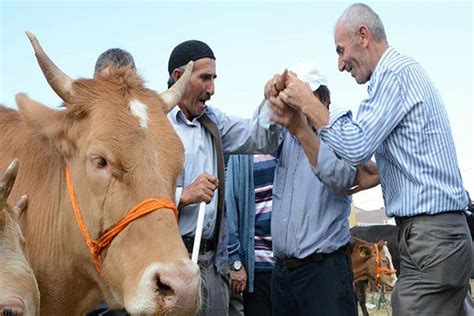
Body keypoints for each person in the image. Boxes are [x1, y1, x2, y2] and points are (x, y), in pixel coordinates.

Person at [269, 4, 471, 315]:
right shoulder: (400, 75)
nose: (340, 64)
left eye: (340, 50)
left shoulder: (394, 74)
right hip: (440, 239)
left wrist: (308, 103)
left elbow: (355, 145)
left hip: (431, 242)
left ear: (363, 36)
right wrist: (382, 173)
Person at [166, 40, 281, 315]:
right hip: (172, 262)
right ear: (178, 78)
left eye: (214, 78)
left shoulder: (214, 122)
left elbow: (260, 136)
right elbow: (134, 198)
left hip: (212, 264)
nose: (212, 89)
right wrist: (184, 195)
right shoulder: (155, 125)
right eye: (204, 78)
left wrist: (274, 100)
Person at [263, 61, 372, 316]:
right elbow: (259, 130)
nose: (295, 104)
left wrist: (302, 130)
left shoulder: (338, 127)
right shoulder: (287, 136)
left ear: (321, 98)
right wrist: (268, 97)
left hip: (323, 273)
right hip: (283, 274)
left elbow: (343, 177)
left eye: (301, 95)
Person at [226, 153, 278, 316]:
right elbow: (230, 208)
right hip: (257, 270)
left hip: (291, 268)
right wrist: (235, 261)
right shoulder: (241, 155)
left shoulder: (289, 147)